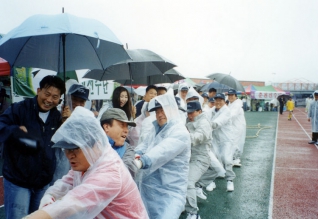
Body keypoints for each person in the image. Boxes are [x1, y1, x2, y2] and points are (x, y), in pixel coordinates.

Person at [24, 107, 148, 219]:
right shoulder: (89, 162)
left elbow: (70, 204)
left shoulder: (109, 172)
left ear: (93, 145)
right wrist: (50, 195)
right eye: (66, 149)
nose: (69, 155)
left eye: (75, 149)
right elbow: (66, 182)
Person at [0, 75, 65, 219]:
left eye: (55, 97)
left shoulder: (57, 116)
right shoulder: (19, 109)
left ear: (59, 99)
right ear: (38, 90)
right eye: (47, 94)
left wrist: (67, 121)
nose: (49, 100)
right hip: (18, 181)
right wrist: (14, 130)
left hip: (43, 183)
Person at [134, 94, 191, 218]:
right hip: (148, 189)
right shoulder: (155, 129)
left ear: (171, 109)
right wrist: (135, 155)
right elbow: (143, 146)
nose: (160, 114)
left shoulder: (180, 132)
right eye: (157, 111)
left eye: (163, 110)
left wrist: (141, 161)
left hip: (170, 192)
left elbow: (162, 151)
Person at [200, 93, 236, 192]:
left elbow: (217, 123)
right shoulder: (211, 111)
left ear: (224, 101)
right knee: (212, 160)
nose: (218, 102)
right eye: (216, 100)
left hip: (226, 139)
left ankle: (230, 180)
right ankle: (211, 181)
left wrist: (204, 126)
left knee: (226, 159)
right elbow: (203, 117)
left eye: (220, 100)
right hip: (214, 139)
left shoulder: (227, 111)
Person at [185, 101, 212, 219]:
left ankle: (193, 213)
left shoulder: (204, 122)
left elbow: (198, 136)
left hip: (200, 158)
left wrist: (182, 137)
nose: (190, 115)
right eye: (188, 113)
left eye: (192, 113)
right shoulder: (188, 121)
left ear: (199, 111)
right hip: (188, 157)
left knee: (188, 182)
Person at [100, 108, 139, 178]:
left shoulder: (128, 150)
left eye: (127, 126)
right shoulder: (92, 147)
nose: (126, 130)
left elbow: (125, 173)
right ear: (106, 127)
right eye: (122, 125)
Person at [227, 89, 246, 167]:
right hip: (233, 127)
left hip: (237, 127)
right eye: (229, 95)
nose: (230, 97)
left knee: (234, 143)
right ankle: (235, 159)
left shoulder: (237, 104)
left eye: (232, 95)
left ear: (235, 96)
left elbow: (232, 115)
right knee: (234, 143)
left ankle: (233, 160)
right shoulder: (231, 104)